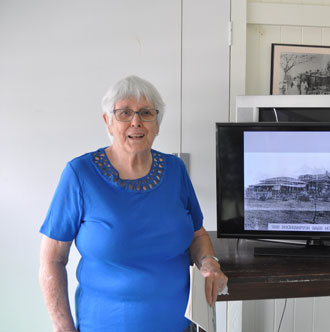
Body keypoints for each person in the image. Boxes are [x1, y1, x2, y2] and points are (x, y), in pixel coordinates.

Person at [39, 75, 228, 332]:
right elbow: (52, 260)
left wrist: (209, 261)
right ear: (108, 121)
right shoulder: (80, 174)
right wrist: (63, 329)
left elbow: (197, 235)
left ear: (157, 124)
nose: (136, 121)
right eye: (124, 113)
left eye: (146, 113)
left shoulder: (176, 170)